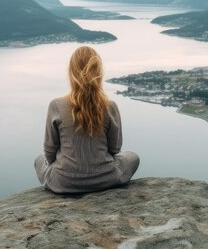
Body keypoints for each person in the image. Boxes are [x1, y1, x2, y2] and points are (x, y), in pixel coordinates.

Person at [34, 46, 140, 193]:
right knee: (133, 157)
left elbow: (49, 153)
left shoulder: (56, 105)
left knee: (39, 159)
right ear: (98, 72)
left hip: (63, 182)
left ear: (71, 72)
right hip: (105, 179)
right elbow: (115, 149)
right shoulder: (110, 106)